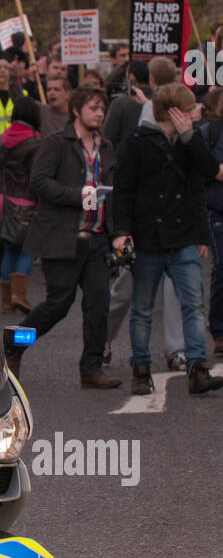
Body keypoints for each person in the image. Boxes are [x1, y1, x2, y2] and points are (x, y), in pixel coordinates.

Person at [113, 83, 223, 396]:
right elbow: (123, 190)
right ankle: (141, 368)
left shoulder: (192, 141)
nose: (197, 111)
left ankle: (198, 369)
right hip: (148, 237)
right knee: (143, 308)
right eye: (190, 108)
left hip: (184, 235)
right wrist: (121, 232)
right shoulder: (137, 142)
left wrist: (202, 233)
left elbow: (205, 178)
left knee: (194, 305)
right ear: (175, 111)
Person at [11, 87, 121, 388]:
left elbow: (114, 194)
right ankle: (12, 345)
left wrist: (120, 234)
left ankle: (91, 368)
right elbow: (40, 182)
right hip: (61, 236)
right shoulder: (57, 143)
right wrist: (79, 196)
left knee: (99, 303)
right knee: (59, 303)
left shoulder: (107, 147)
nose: (99, 113)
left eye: (102, 108)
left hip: (96, 238)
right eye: (93, 107)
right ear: (77, 110)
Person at [104, 57, 185, 369]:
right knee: (128, 290)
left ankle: (172, 350)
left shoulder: (165, 112)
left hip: (165, 219)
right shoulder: (139, 112)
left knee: (162, 292)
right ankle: (107, 341)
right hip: (145, 219)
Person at [0, 97, 42, 313]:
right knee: (27, 249)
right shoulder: (36, 141)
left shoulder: (1, 138)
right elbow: (36, 176)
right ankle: (19, 296)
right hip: (24, 201)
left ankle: (6, 303)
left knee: (9, 250)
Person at [198, 87, 223, 356]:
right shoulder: (210, 132)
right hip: (217, 209)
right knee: (222, 268)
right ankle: (219, 329)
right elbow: (205, 168)